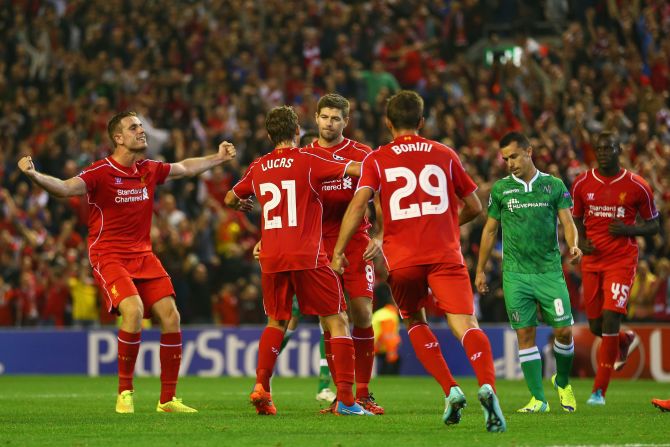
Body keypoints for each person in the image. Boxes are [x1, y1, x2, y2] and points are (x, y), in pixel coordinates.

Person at [18, 110, 237, 413]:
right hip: (108, 254)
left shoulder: (148, 169)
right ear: (118, 138)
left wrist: (218, 158)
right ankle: (125, 393)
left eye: (141, 126)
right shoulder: (100, 172)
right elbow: (66, 188)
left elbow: (185, 168)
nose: (141, 131)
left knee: (171, 315)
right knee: (132, 310)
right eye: (134, 127)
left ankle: (168, 400)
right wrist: (34, 176)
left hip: (143, 254)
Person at [331, 90, 506, 432]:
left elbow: (357, 206)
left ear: (388, 123)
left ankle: (451, 389)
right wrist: (441, 225)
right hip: (444, 254)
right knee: (466, 325)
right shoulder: (445, 153)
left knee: (414, 320)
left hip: (403, 258)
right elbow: (474, 206)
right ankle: (488, 386)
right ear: (422, 122)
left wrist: (339, 250)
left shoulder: (377, 159)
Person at [224, 105, 372, 416]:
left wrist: (243, 205)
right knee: (337, 320)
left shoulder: (259, 166)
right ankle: (346, 400)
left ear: (268, 135)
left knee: (276, 321)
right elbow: (357, 170)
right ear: (296, 133)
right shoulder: (309, 159)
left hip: (272, 256)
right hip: (308, 254)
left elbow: (229, 197)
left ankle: (262, 386)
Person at [475, 132, 582, 414]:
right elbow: (489, 230)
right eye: (505, 158)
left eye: (514, 156)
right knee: (525, 335)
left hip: (549, 271)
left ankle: (562, 381)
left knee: (564, 330)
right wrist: (480, 270)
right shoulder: (501, 190)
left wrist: (573, 245)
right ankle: (538, 399)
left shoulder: (553, 185)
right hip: (515, 275)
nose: (510, 163)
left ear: (529, 151)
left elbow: (567, 221)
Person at [571, 131, 660, 405]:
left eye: (608, 148)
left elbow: (654, 224)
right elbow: (576, 217)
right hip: (592, 262)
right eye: (599, 148)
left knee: (610, 318)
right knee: (597, 324)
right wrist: (581, 241)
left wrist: (629, 229)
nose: (603, 153)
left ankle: (599, 391)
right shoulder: (582, 183)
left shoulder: (637, 185)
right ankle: (624, 339)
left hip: (621, 261)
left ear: (619, 149)